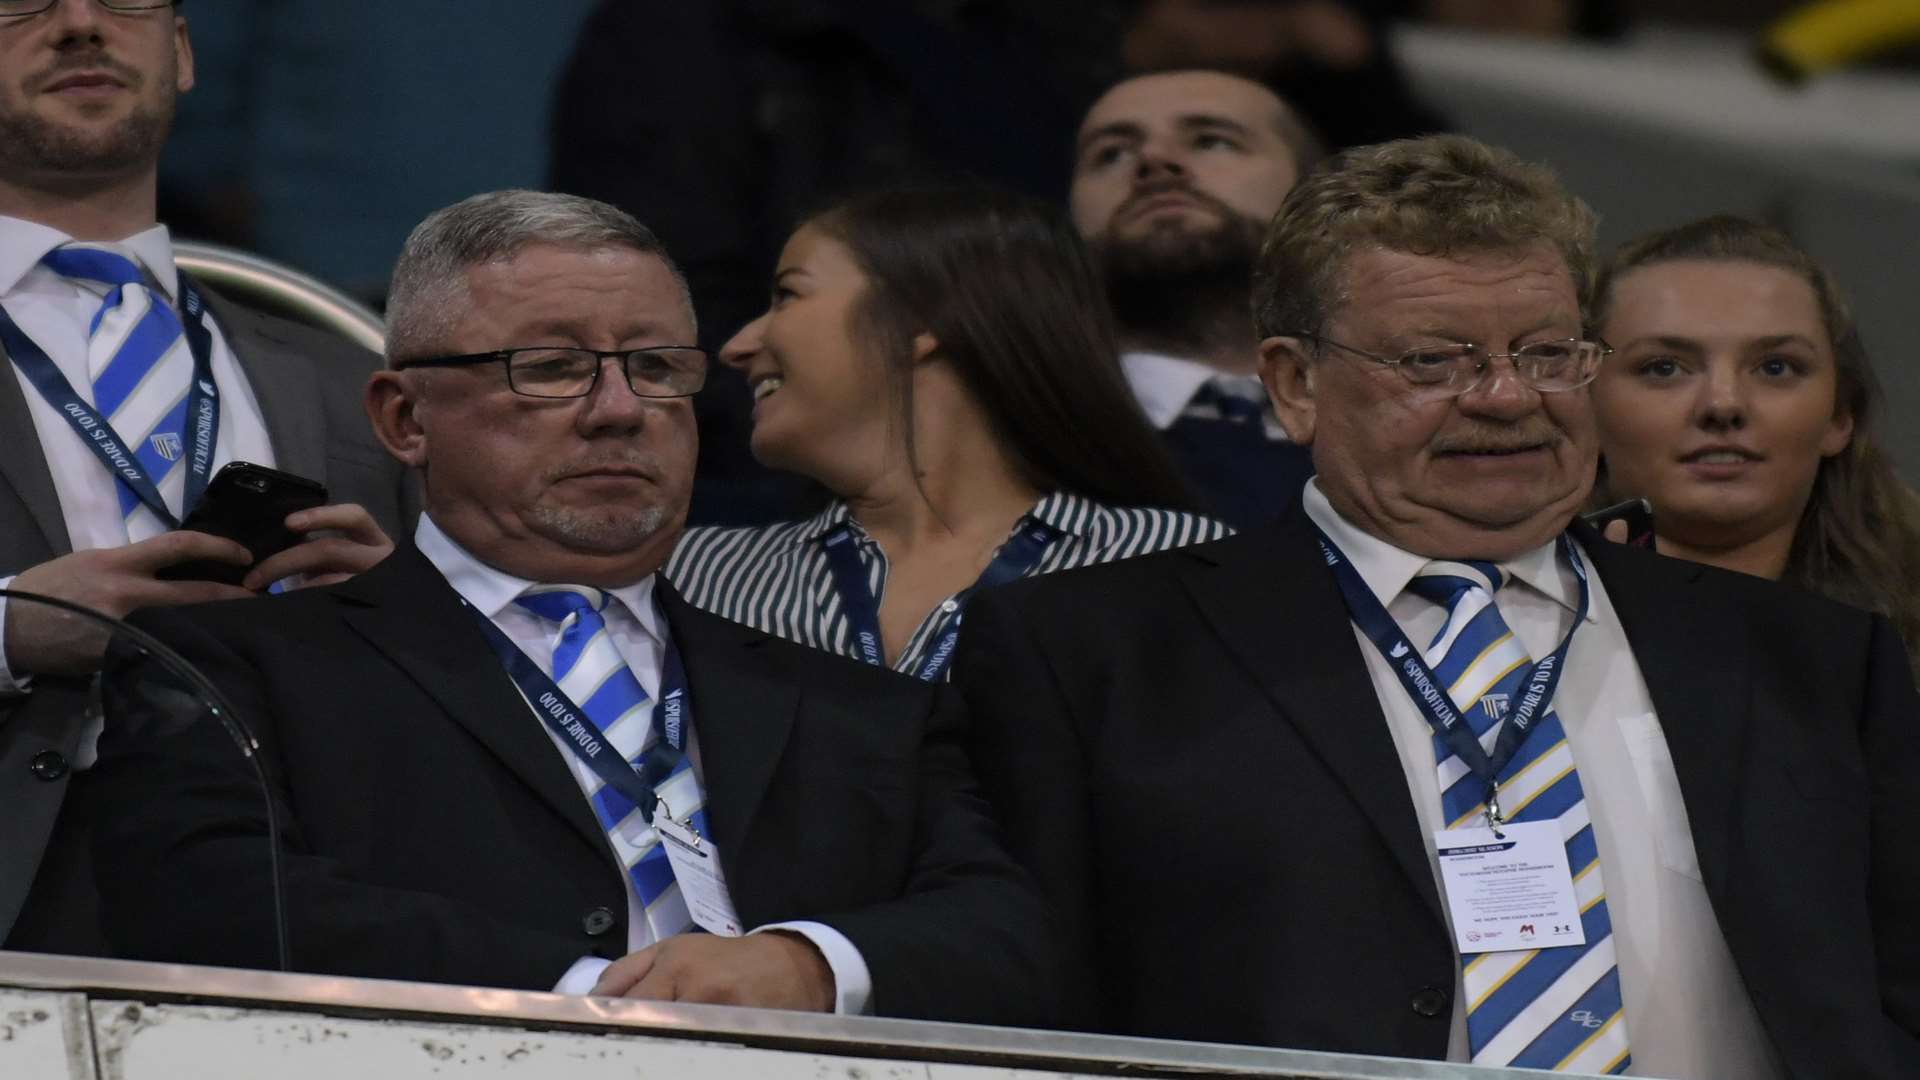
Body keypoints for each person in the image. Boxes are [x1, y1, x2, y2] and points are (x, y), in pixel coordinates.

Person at [955, 136, 1920, 1077]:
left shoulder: (1813, 658)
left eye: (1547, 353)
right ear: (1294, 384)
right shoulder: (1092, 654)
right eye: (1434, 362)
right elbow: (1026, 1015)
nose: (1506, 397)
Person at [84, 191, 1057, 1023]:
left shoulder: (859, 708)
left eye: (657, 367)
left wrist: (805, 965)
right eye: (549, 368)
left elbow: (1010, 934)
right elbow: (203, 900)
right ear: (404, 418)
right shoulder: (229, 664)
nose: (619, 409)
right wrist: (593, 997)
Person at [0, 0, 408, 949]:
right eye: (23, 3)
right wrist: (11, 629)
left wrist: (401, 619)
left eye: (125, 1)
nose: (79, 24)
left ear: (181, 52)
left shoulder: (346, 376)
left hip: (301, 901)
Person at [667, 187, 1226, 681]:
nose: (736, 347)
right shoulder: (690, 575)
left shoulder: (1175, 564)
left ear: (918, 318)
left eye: (788, 294)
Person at [1588, 214, 1920, 667]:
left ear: (1840, 416)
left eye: (1775, 368)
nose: (1723, 405)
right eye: (1663, 368)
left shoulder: (1895, 659)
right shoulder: (1488, 631)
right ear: (1582, 406)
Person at [1070, 69, 1322, 528]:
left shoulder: (1417, 418)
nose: (1153, 162)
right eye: (1112, 154)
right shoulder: (1010, 444)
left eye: (1211, 140)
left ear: (1320, 197)